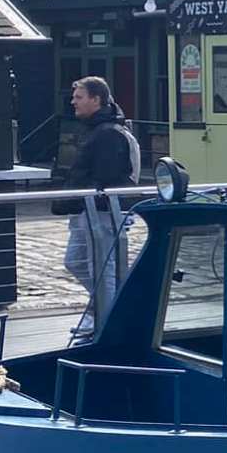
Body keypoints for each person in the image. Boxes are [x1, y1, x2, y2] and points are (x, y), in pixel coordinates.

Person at [60, 76, 140, 341]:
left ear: (96, 99)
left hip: (103, 213)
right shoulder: (99, 129)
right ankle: (106, 308)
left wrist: (77, 196)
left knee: (102, 267)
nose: (73, 101)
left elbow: (106, 177)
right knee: (76, 261)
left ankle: (106, 321)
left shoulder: (108, 133)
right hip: (89, 210)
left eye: (79, 96)